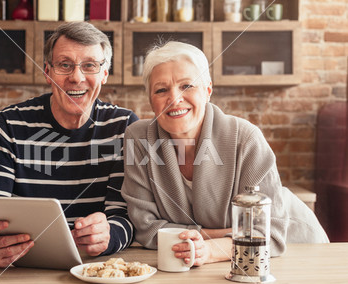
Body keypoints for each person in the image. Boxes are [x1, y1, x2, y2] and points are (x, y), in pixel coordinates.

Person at [122, 41, 328, 267]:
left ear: (208, 90)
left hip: (295, 252)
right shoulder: (138, 138)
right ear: (151, 99)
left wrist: (210, 248)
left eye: (187, 86)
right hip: (207, 258)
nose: (174, 98)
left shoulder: (246, 137)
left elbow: (268, 233)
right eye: (161, 90)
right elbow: (147, 229)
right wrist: (227, 236)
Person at [0, 22, 139, 267]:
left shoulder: (123, 126)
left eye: (89, 65)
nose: (76, 77)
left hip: (95, 269)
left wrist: (110, 235)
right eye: (64, 65)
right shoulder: (9, 124)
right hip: (21, 271)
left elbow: (126, 217)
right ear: (47, 72)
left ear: (104, 73)